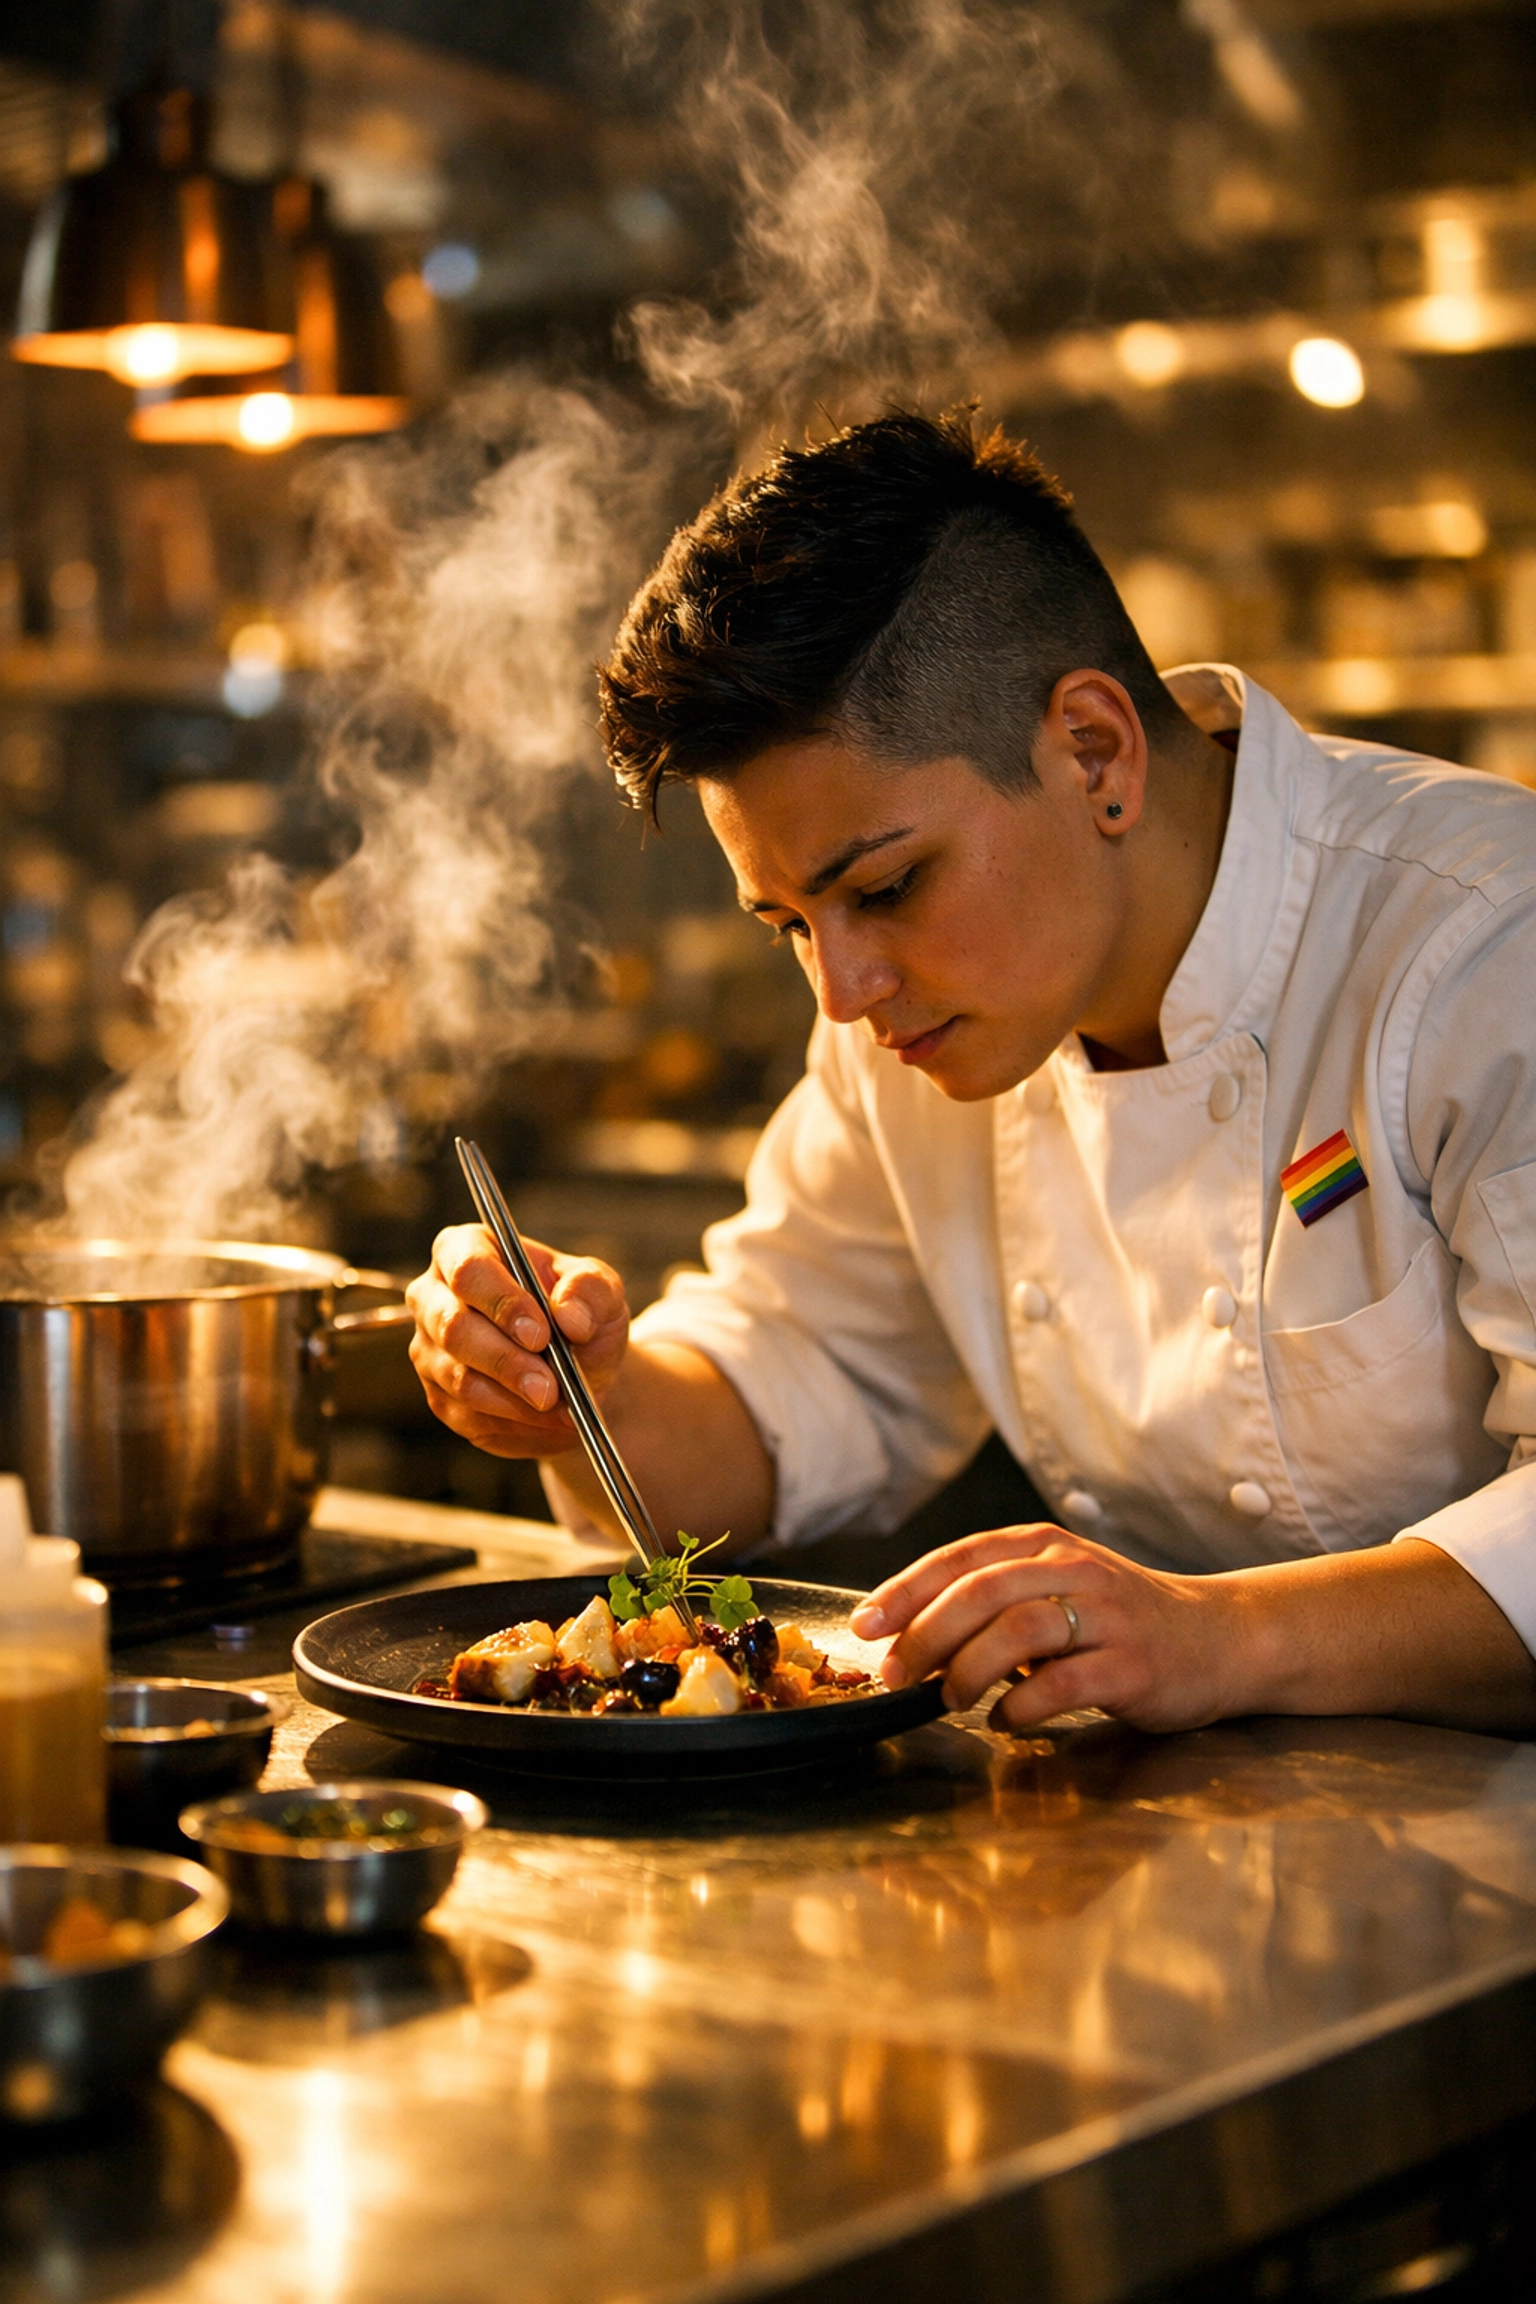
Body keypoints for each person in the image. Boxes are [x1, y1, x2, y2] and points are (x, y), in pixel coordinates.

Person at [406, 408, 1536, 1740]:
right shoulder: (912, 1030)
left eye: (885, 887)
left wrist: (1218, 1637)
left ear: (1095, 752)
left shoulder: (1479, 941)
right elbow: (791, 1387)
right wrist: (580, 1392)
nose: (840, 991)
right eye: (787, 925)